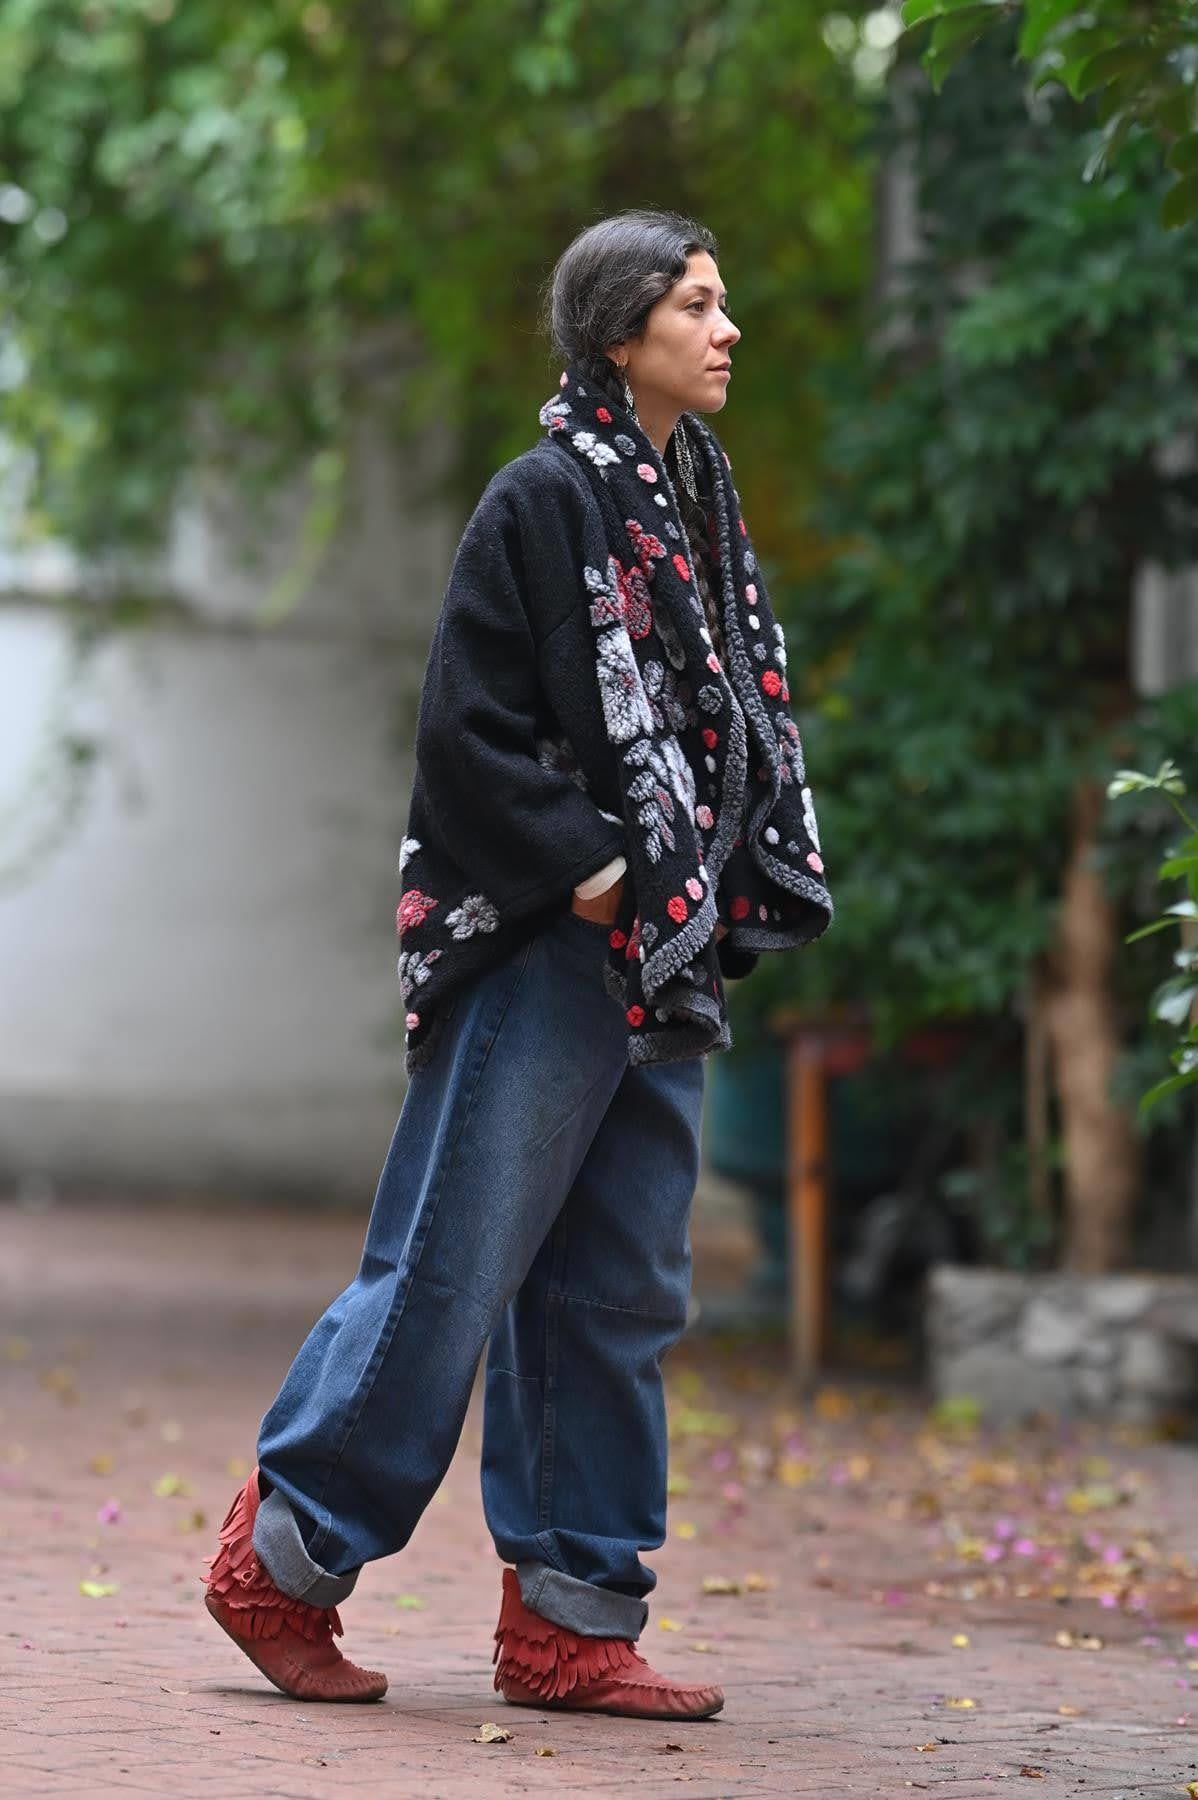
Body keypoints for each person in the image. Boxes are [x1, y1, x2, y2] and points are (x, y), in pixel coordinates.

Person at [201, 209, 832, 1719]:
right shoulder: (539, 499)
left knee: (618, 1292)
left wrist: (697, 890)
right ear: (619, 333)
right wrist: (598, 875)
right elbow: (465, 731)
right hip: (553, 946)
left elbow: (723, 722)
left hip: (662, 959)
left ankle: (570, 1621)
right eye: (696, 304)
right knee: (450, 1265)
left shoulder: (697, 503)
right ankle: (280, 1562)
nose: (727, 329)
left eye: (722, 302)